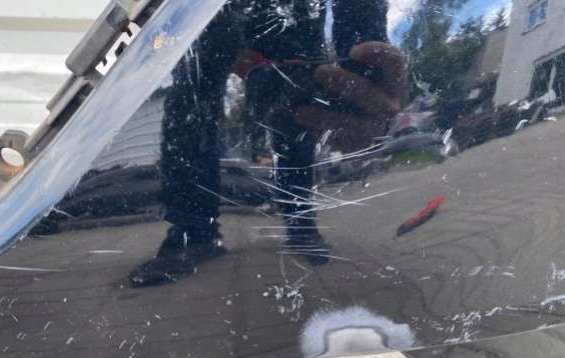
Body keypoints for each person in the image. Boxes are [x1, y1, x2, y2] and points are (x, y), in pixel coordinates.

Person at [129, 0, 406, 287]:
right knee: (190, 99)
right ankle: (193, 230)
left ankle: (301, 224)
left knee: (297, 102)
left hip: (293, 11)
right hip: (209, 12)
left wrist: (366, 57)